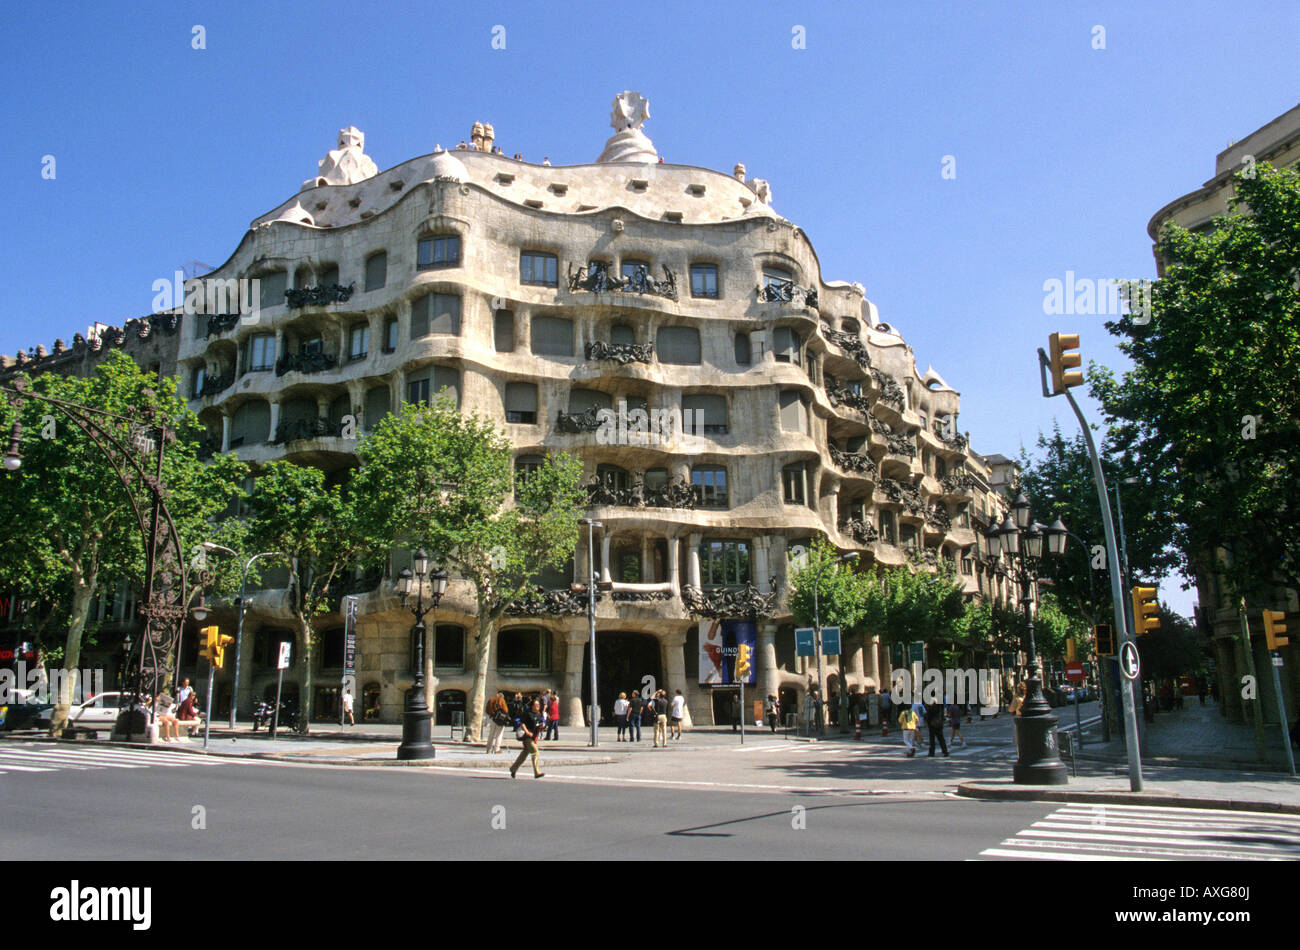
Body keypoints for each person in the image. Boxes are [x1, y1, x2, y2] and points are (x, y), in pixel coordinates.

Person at [509, 699, 545, 779]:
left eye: (538, 705)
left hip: (534, 736)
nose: (537, 707)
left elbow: (539, 724)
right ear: (532, 706)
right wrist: (527, 732)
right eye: (536, 705)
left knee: (524, 754)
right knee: (535, 751)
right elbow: (522, 723)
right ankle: (536, 772)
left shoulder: (539, 714)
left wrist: (542, 726)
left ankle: (513, 769)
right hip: (527, 737)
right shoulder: (528, 714)